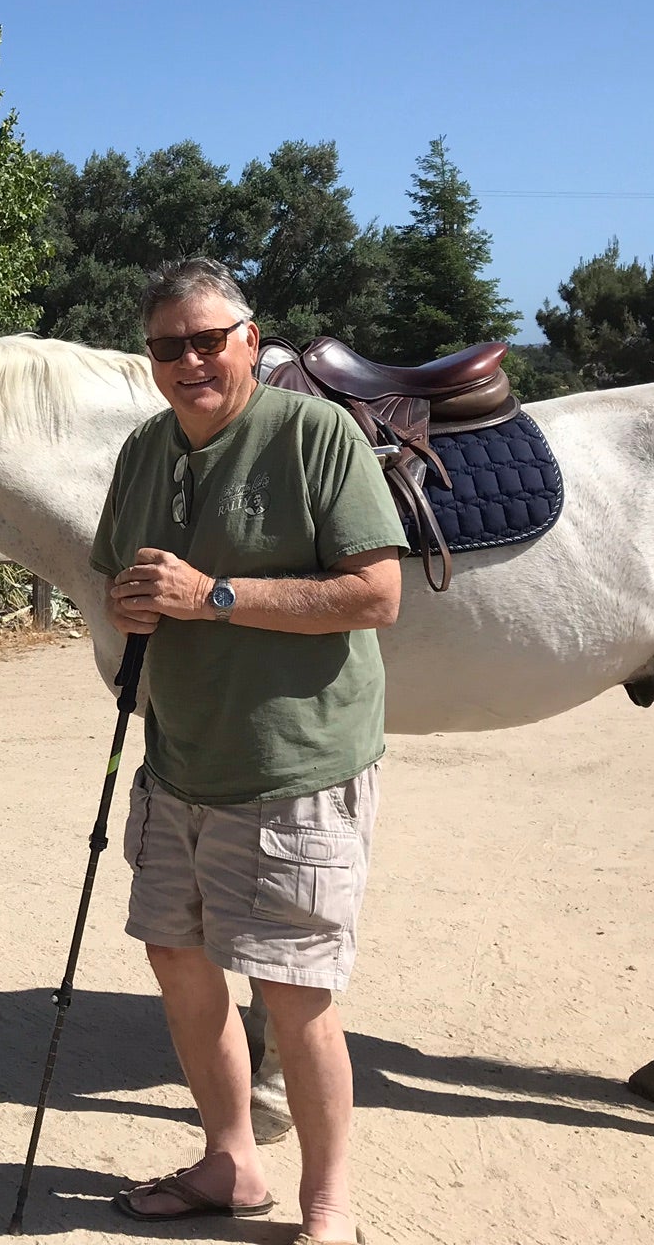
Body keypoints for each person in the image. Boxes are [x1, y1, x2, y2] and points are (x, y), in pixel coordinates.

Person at [90, 257, 404, 1244]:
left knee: (294, 992)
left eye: (207, 338)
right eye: (167, 345)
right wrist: (131, 601)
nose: (188, 359)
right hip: (176, 759)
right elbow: (115, 579)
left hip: (291, 769)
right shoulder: (143, 450)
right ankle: (229, 1161)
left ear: (249, 341)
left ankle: (327, 1205)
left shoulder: (314, 437)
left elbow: (374, 595)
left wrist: (214, 595)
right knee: (175, 962)